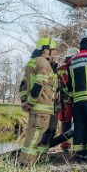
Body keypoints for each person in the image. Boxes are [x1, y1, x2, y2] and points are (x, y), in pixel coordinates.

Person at [18, 37, 57, 165]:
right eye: (53, 50)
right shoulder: (44, 63)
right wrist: (30, 102)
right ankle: (26, 163)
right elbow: (39, 85)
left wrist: (24, 101)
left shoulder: (31, 62)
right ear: (45, 50)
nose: (55, 53)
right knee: (35, 135)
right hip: (41, 107)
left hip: (36, 107)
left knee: (32, 133)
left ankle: (35, 159)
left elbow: (23, 85)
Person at [48, 46, 79, 151]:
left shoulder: (60, 68)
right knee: (73, 122)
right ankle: (72, 145)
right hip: (72, 100)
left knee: (66, 123)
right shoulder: (71, 66)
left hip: (63, 101)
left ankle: (65, 146)